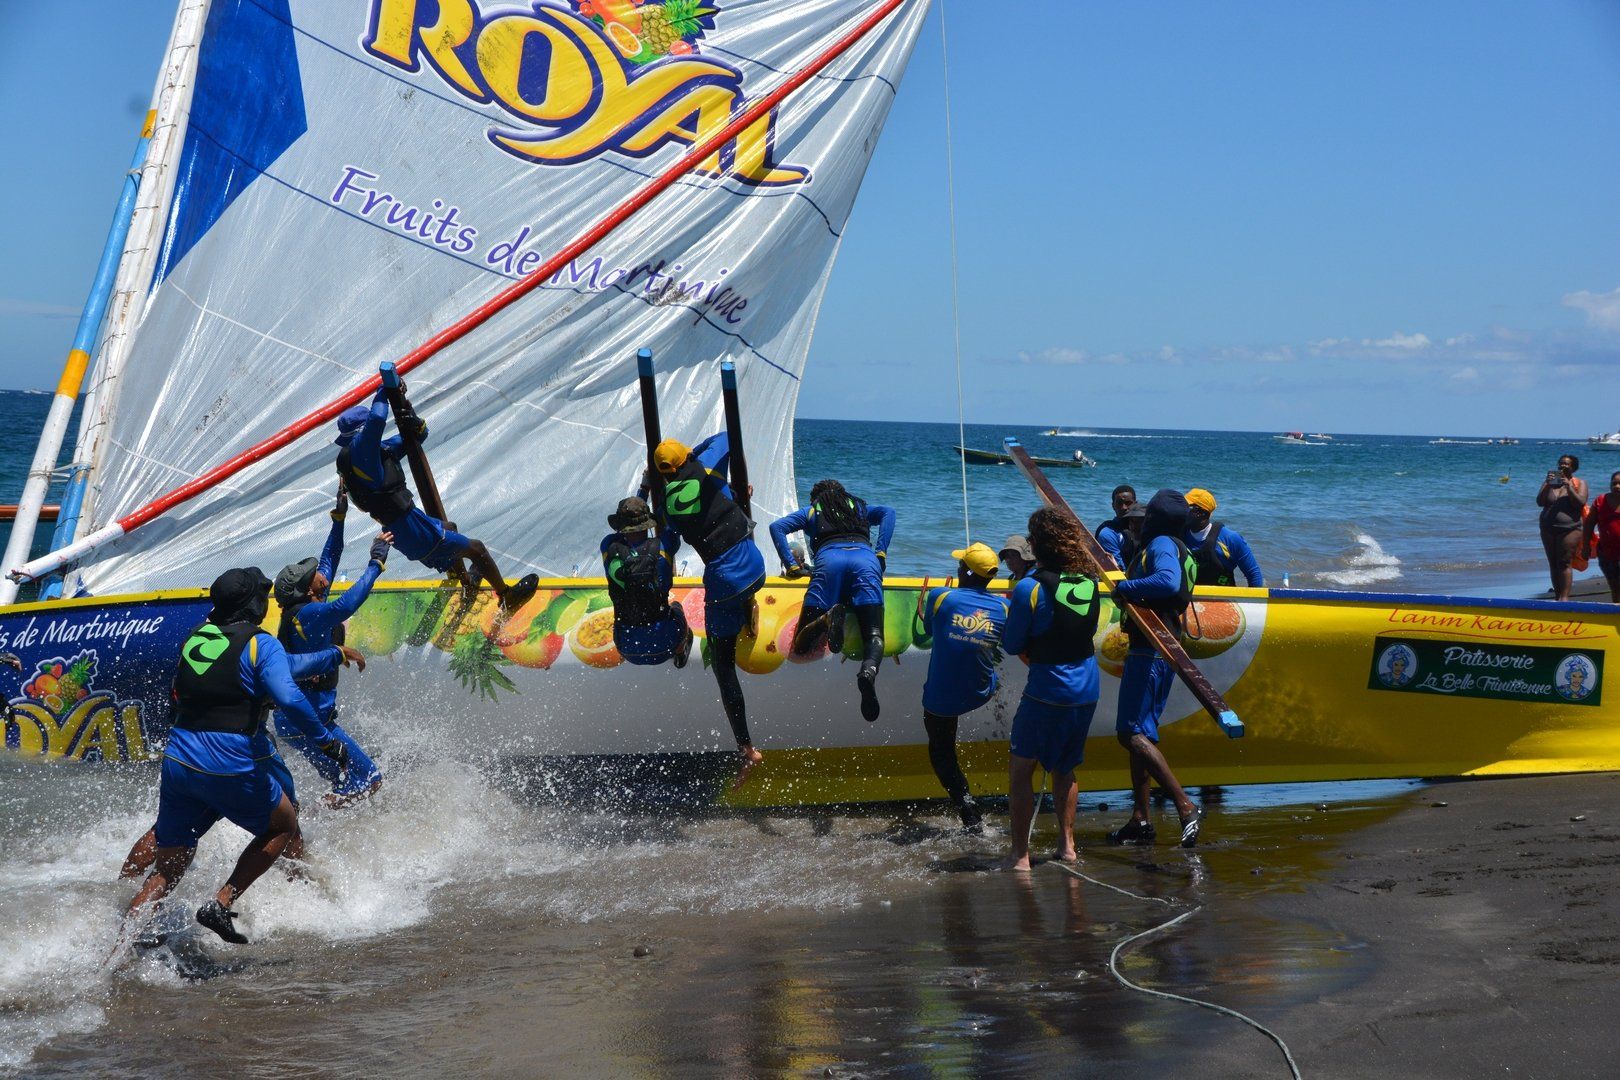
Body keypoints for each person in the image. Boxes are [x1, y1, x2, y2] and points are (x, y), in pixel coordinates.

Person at [122, 568, 360, 946]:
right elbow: (288, 695)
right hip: (231, 755)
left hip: (180, 755)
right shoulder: (259, 643)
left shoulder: (197, 638)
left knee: (167, 870)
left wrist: (330, 655)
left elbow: (278, 667)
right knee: (283, 823)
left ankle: (116, 948)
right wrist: (326, 741)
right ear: (253, 604)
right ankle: (223, 900)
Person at [334, 387, 538, 612]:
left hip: (408, 522)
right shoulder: (361, 455)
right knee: (477, 549)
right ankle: (506, 597)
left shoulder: (372, 453)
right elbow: (377, 417)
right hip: (408, 528)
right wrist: (385, 389)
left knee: (451, 528)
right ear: (362, 433)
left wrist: (412, 418)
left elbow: (417, 437)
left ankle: (468, 586)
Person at [652, 437, 767, 775]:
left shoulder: (667, 508)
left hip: (724, 582)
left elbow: (667, 548)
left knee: (723, 667)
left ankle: (746, 746)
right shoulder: (707, 472)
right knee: (729, 494)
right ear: (686, 457)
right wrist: (696, 455)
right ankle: (750, 603)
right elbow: (726, 437)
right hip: (756, 566)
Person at [272, 486, 390, 806]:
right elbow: (346, 606)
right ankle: (308, 822)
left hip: (299, 723)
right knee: (369, 778)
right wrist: (375, 564)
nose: (323, 574)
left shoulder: (310, 599)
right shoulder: (309, 614)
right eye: (315, 575)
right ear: (307, 589)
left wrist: (339, 517)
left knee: (345, 783)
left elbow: (330, 556)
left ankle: (314, 834)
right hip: (309, 723)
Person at [1000, 507, 1103, 871]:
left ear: (1038, 544)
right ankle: (1068, 846)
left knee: (1021, 768)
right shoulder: (1090, 583)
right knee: (1065, 767)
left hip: (1048, 689)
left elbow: (1012, 645)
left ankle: (1020, 856)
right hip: (1087, 687)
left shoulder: (1029, 587)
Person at [1108, 489, 1203, 848]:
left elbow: (1167, 581)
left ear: (1155, 521)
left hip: (1150, 649)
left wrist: (1125, 587)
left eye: (1145, 518)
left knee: (1129, 733)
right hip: (1162, 647)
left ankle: (1184, 805)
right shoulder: (1177, 543)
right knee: (1142, 736)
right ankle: (1141, 819)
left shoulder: (1162, 543)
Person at [769, 479, 897, 721]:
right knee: (874, 636)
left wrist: (791, 565)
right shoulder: (858, 507)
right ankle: (868, 673)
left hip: (829, 563)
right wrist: (880, 551)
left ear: (815, 498)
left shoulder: (812, 511)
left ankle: (827, 620)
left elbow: (777, 527)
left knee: (801, 645)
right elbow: (888, 513)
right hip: (865, 561)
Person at [917, 542, 1010, 832]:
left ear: (967, 572)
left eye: (960, 565)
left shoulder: (941, 597)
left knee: (940, 752)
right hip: (981, 691)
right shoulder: (1005, 608)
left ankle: (967, 808)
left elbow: (928, 632)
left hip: (943, 698)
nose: (957, 568)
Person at [600, 496, 692, 667]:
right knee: (676, 607)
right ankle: (680, 650)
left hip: (626, 648)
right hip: (666, 645)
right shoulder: (665, 544)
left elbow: (619, 535)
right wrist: (661, 501)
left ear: (620, 525)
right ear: (647, 523)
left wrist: (643, 490)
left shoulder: (608, 546)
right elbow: (672, 524)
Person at [1183, 488, 1263, 587]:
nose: (1182, 511)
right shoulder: (1179, 535)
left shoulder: (1231, 539)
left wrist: (1250, 601)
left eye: (1187, 507)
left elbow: (1254, 575)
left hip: (1223, 599)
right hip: (1189, 599)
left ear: (1201, 513)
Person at [1538, 454, 1587, 601]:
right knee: (1553, 562)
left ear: (1573, 468)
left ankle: (1564, 598)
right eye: (1561, 463)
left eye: (1567, 464)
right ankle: (1557, 596)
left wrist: (1569, 486)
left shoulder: (1580, 483)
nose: (1563, 466)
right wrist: (1547, 485)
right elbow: (1540, 502)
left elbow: (1580, 503)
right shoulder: (1550, 482)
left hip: (1570, 529)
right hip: (1548, 528)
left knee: (1564, 562)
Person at [1584, 470, 1620, 603]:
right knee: (1615, 586)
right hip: (1607, 552)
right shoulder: (1600, 500)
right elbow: (1588, 525)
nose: (1617, 486)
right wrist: (1586, 546)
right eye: (1614, 483)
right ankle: (1616, 614)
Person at [1095, 485, 1137, 567]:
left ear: (1135, 504)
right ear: (1113, 506)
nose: (1124, 507)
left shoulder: (1143, 528)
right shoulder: (1108, 534)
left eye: (1128, 503)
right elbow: (1118, 570)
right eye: (1119, 503)